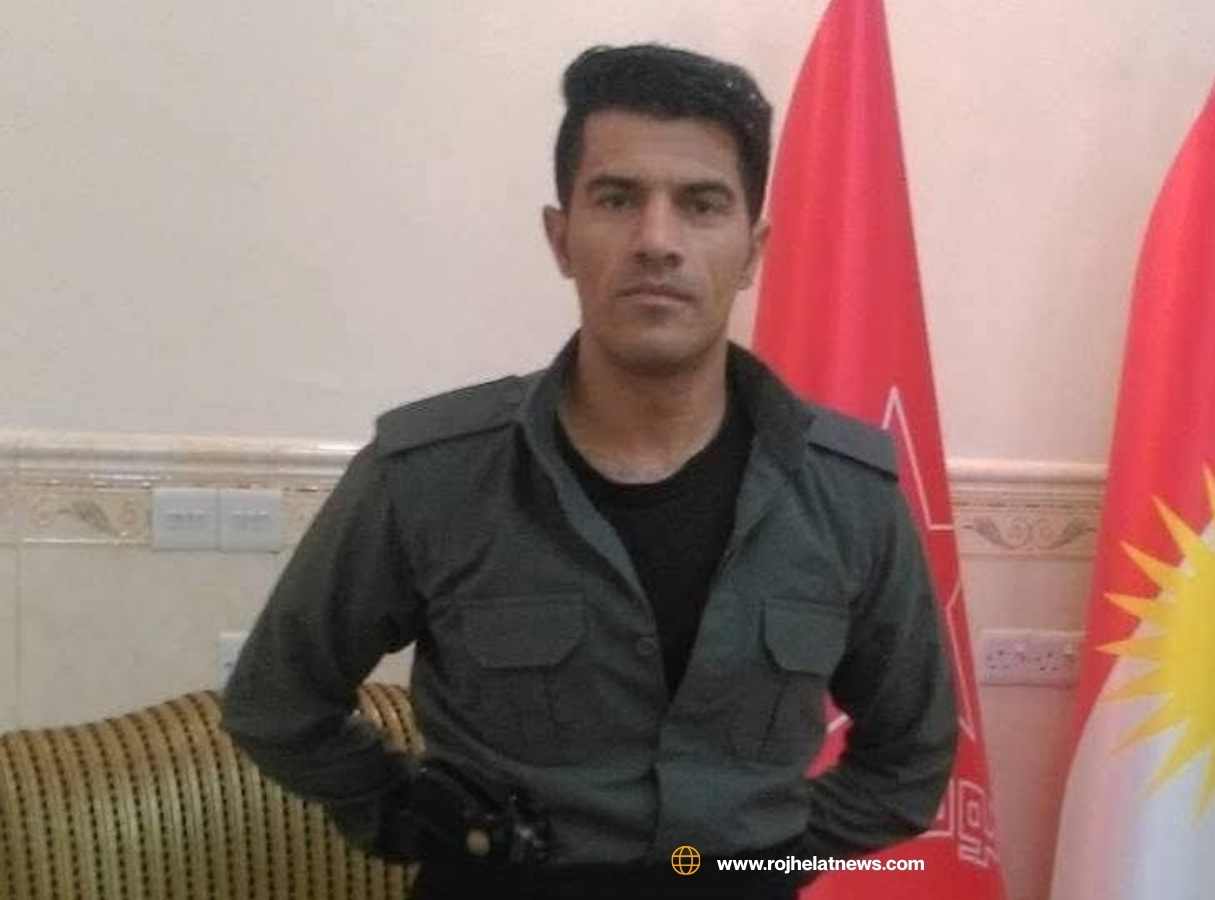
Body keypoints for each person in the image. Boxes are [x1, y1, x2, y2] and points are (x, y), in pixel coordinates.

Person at [222, 43, 956, 899]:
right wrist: (413, 819)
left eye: (701, 204)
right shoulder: (429, 476)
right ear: (561, 236)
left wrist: (754, 866)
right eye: (616, 199)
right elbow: (277, 703)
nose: (657, 241)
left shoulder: (846, 494)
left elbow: (911, 757)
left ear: (753, 251)